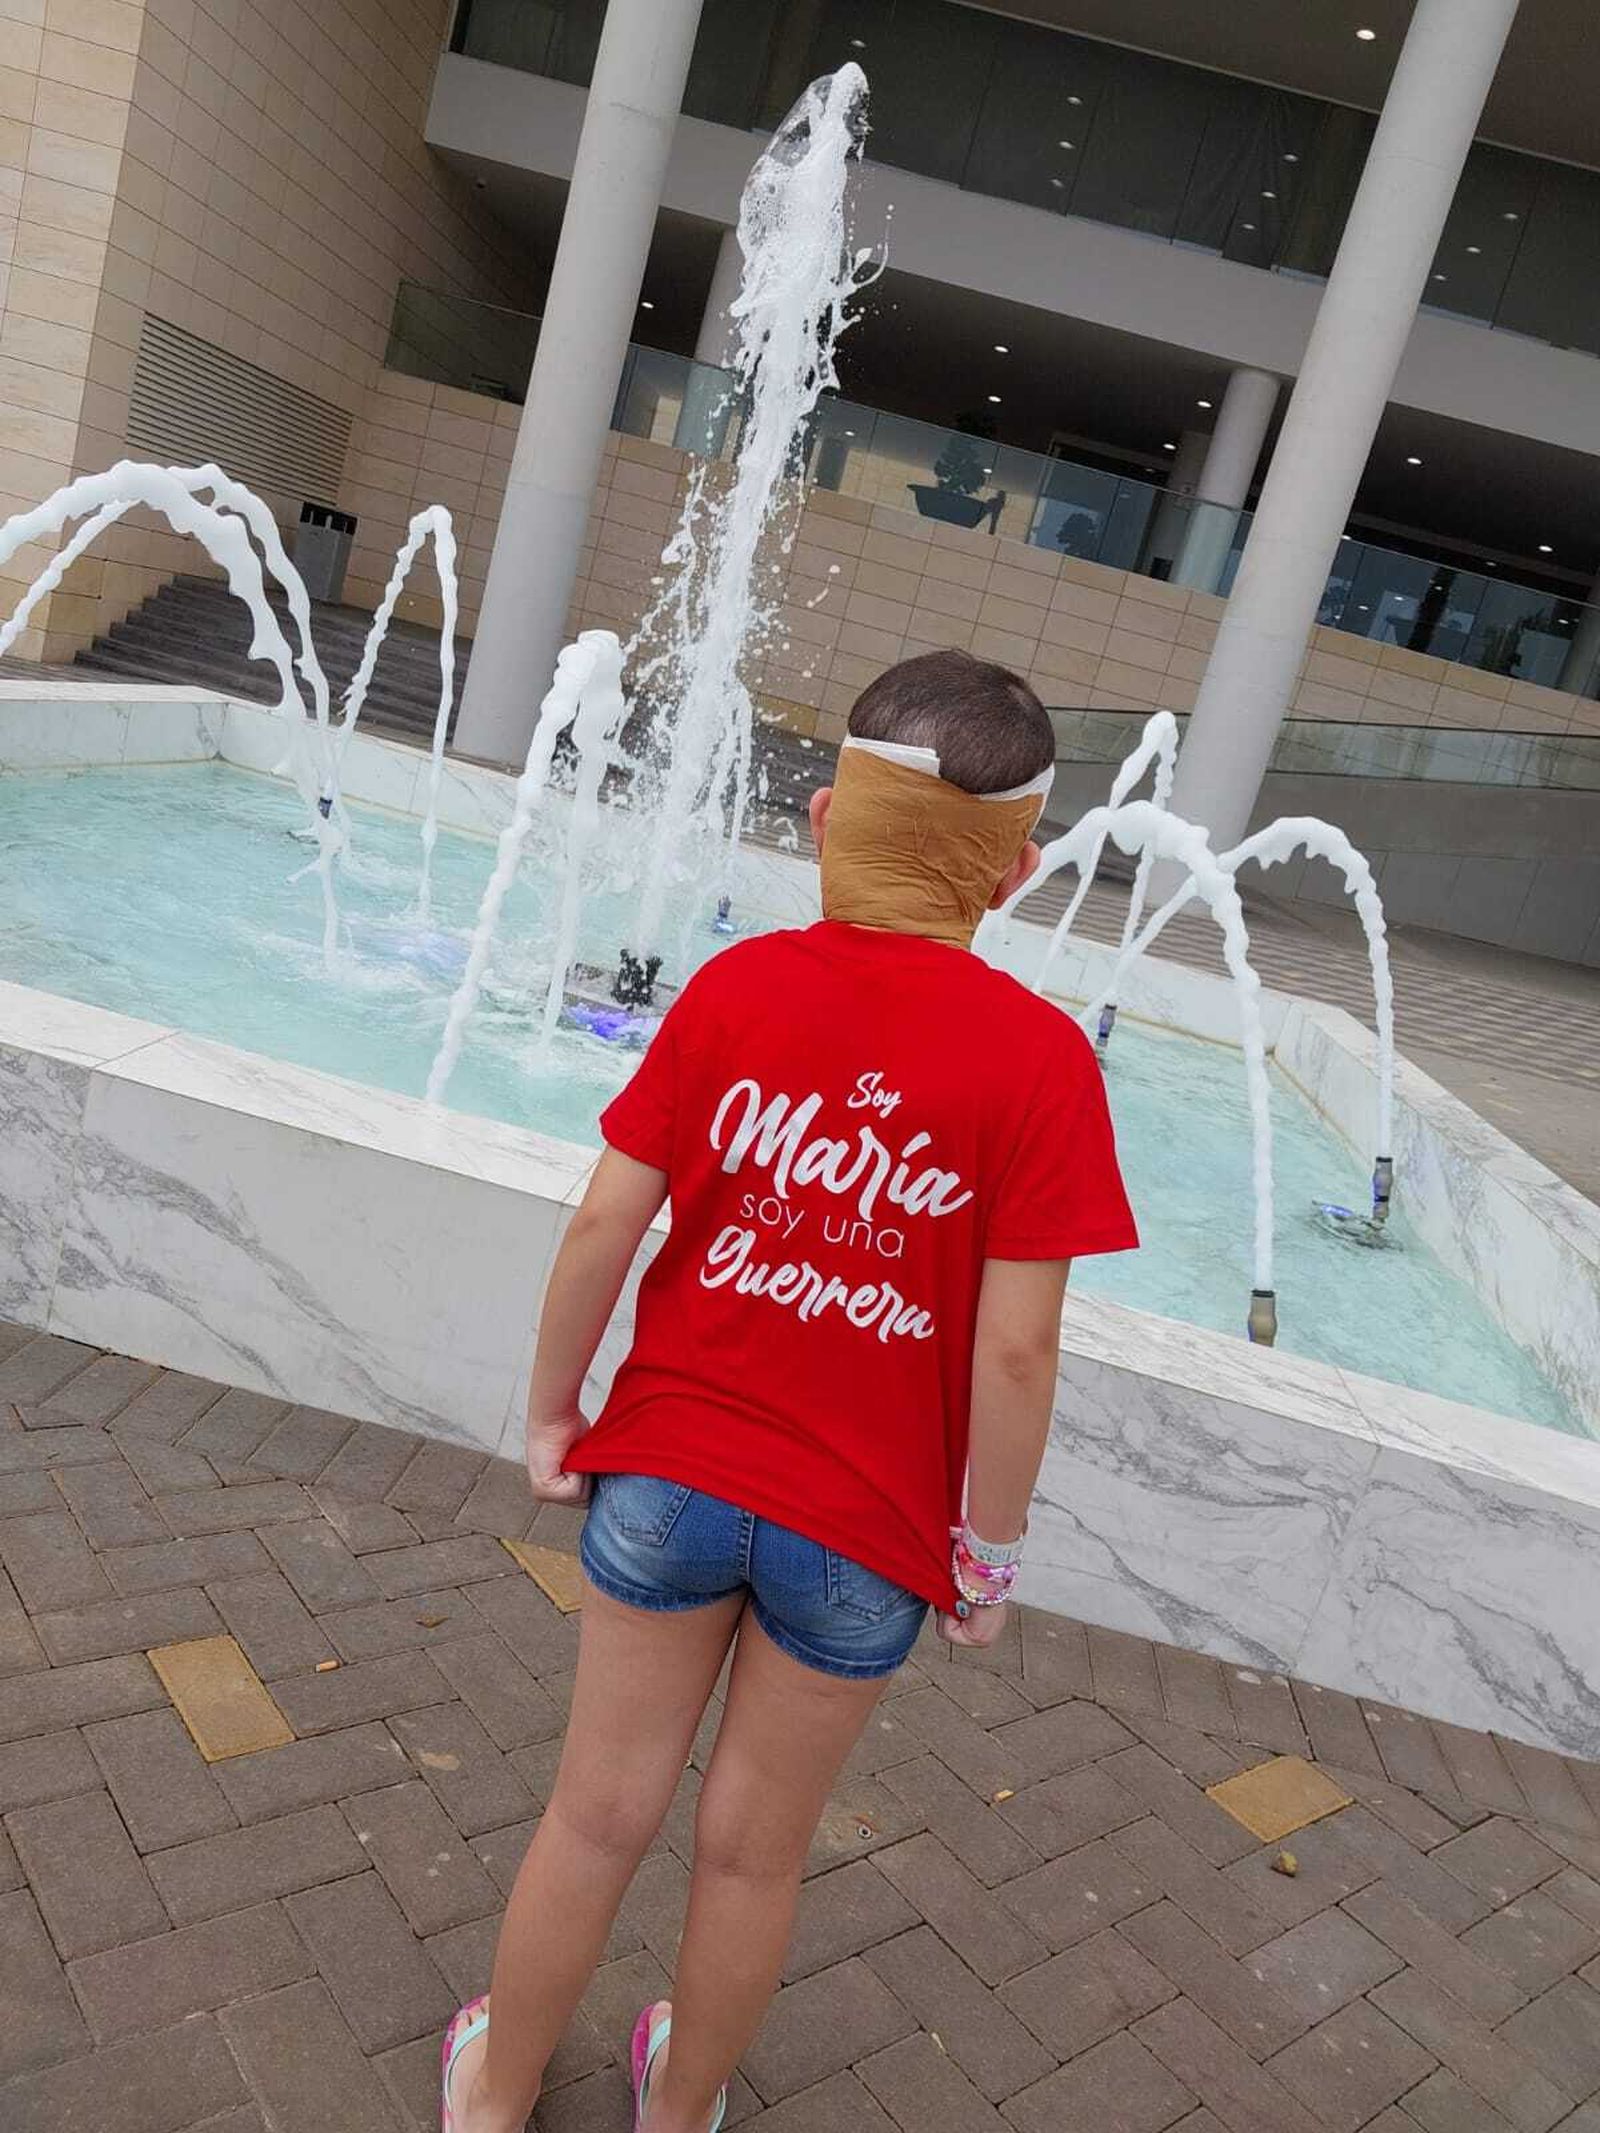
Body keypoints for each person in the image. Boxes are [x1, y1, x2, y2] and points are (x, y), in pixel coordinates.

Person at [442, 648, 1138, 2133]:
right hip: (868, 1530)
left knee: (596, 1807)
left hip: (672, 1473)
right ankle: (678, 2109)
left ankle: (496, 2094)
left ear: (826, 818)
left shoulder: (740, 986)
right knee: (753, 1853)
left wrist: (558, 1409)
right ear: (1010, 879)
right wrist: (988, 1549)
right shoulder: (1041, 1064)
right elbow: (1017, 1352)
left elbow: (602, 1223)